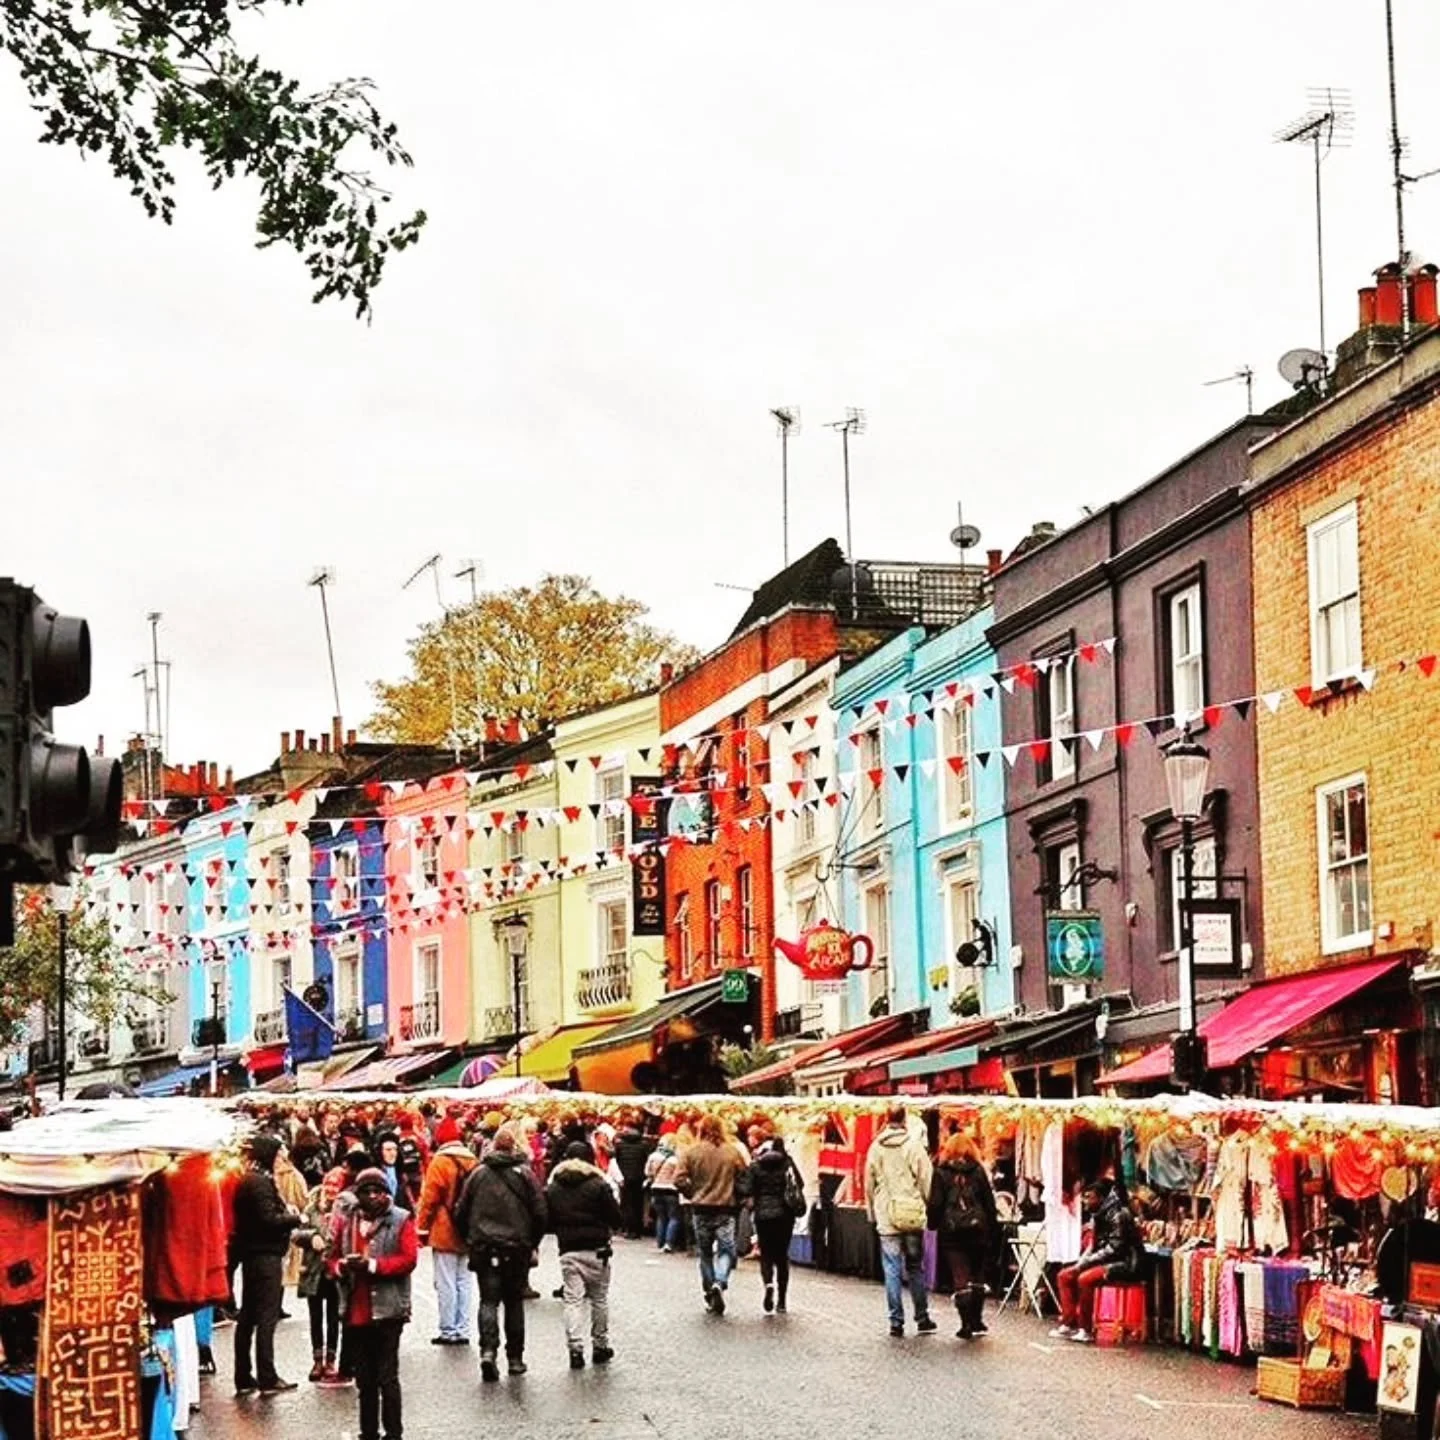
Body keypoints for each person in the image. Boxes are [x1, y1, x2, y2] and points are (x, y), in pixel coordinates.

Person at [329, 1169, 418, 1440]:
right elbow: (331, 1257)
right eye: (366, 1192)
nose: (371, 1197)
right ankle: (368, 1431)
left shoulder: (401, 1219)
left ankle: (393, 1432)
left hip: (388, 1309)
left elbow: (409, 1259)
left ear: (385, 1193)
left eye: (376, 1191)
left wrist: (373, 1265)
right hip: (356, 1309)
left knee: (387, 1376)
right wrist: (342, 1267)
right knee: (364, 1379)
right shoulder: (348, 1220)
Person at [455, 1130, 547, 1381]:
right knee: (514, 1302)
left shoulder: (478, 1174)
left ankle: (487, 1351)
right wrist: (532, 1242)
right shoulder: (525, 1174)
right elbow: (540, 1212)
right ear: (513, 1147)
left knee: (488, 1300)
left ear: (494, 1147)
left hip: (485, 1246)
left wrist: (470, 1238)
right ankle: (515, 1358)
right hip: (516, 1247)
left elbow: (461, 1211)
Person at [231, 1134, 302, 1395]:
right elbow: (268, 1220)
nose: (280, 1158)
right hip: (264, 1256)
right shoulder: (259, 1183)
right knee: (265, 1318)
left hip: (253, 1256)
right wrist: (294, 1218)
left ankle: (244, 1375)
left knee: (248, 1317)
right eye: (277, 1154)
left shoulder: (250, 1179)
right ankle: (267, 1377)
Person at [545, 1140, 623, 1369]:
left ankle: (575, 1347)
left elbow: (548, 1218)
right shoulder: (598, 1184)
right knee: (599, 1299)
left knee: (572, 1300)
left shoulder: (555, 1186)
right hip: (598, 1248)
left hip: (568, 1248)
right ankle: (600, 1345)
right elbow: (616, 1217)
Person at [864, 1105, 937, 1338]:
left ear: (887, 1119)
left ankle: (896, 1321)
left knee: (892, 1268)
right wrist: (929, 1205)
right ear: (904, 1119)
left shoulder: (876, 1147)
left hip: (886, 1213)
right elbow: (926, 1179)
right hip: (911, 1213)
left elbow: (868, 1182)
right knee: (915, 1267)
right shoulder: (914, 1146)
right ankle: (922, 1317)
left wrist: (871, 1211)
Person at [1051, 1179, 1144, 1344]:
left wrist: (1084, 1264)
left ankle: (1085, 1329)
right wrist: (1079, 1264)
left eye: (1090, 1197)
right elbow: (1093, 1246)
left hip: (1126, 1263)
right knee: (1064, 1276)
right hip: (1106, 1260)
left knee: (1085, 1279)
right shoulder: (1099, 1214)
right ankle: (1068, 1322)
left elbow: (1115, 1249)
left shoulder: (1119, 1215)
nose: (1086, 1201)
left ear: (1101, 1198)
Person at [674, 1114, 747, 1316]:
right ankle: (720, 1281)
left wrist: (693, 1193)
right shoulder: (732, 1152)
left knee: (705, 1253)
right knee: (726, 1250)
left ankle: (709, 1292)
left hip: (700, 1209)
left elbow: (678, 1179)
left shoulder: (692, 1152)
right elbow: (743, 1177)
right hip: (725, 1208)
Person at [414, 1115, 477, 1346]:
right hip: (468, 1228)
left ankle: (448, 1329)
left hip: (444, 1228)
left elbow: (429, 1199)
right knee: (464, 1281)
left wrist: (421, 1228)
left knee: (446, 1282)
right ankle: (463, 1328)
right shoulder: (473, 1161)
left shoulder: (439, 1163)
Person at [928, 1133, 998, 1340]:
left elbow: (935, 1203)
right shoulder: (977, 1171)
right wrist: (992, 1226)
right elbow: (988, 1201)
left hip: (952, 1233)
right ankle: (977, 1320)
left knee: (960, 1277)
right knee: (977, 1275)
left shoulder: (941, 1173)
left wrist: (933, 1224)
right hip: (978, 1230)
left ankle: (965, 1323)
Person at [293, 1176, 346, 1383]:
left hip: (333, 1271)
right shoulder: (311, 1209)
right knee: (315, 1317)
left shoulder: (344, 1209)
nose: (331, 1189)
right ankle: (317, 1360)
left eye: (335, 1185)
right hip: (314, 1270)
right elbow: (296, 1233)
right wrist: (311, 1237)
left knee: (334, 1317)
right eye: (329, 1185)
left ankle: (331, 1360)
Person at [746, 1136, 804, 1314]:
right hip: (784, 1215)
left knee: (766, 1255)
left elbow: (747, 1188)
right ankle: (782, 1301)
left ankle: (768, 1284)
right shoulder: (787, 1163)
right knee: (781, 1257)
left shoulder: (756, 1165)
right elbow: (799, 1184)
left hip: (763, 1216)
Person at [611, 1119, 652, 1240]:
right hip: (639, 1177)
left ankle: (628, 1229)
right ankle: (638, 1230)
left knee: (626, 1204)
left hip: (625, 1177)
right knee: (638, 1203)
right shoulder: (644, 1144)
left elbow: (616, 1159)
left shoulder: (620, 1144)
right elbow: (646, 1160)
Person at [645, 1136, 683, 1253]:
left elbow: (647, 1172)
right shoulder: (675, 1159)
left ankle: (660, 1242)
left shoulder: (653, 1156)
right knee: (674, 1217)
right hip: (671, 1190)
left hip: (656, 1189)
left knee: (661, 1217)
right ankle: (669, 1243)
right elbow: (678, 1175)